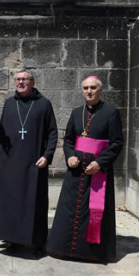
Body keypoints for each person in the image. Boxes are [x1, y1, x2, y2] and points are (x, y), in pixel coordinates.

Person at [47, 75, 123, 262]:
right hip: (76, 169)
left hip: (98, 171)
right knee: (70, 208)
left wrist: (100, 163)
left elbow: (116, 143)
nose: (89, 91)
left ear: (100, 90)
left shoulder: (111, 112)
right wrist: (70, 155)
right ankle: (64, 249)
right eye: (86, 88)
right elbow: (69, 140)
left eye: (93, 88)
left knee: (94, 210)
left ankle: (90, 253)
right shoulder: (75, 113)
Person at [0, 69, 58, 256]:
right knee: (12, 202)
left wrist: (47, 155)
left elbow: (52, 132)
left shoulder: (43, 104)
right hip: (11, 163)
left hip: (34, 162)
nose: (20, 82)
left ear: (32, 82)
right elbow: (2, 130)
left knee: (34, 203)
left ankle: (38, 242)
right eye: (17, 79)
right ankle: (13, 240)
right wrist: (1, 155)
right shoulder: (10, 103)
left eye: (24, 79)